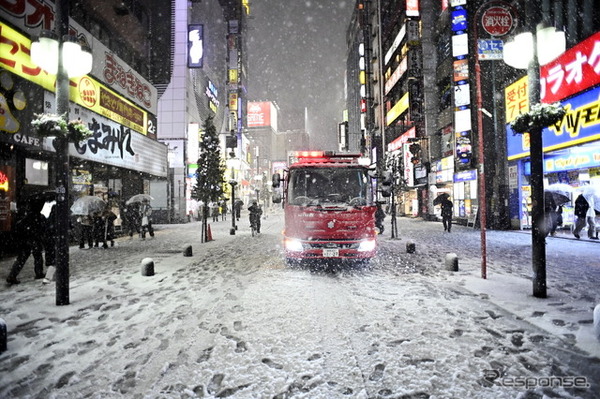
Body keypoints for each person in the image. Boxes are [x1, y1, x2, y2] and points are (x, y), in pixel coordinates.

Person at [6, 200, 47, 285]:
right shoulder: (39, 217)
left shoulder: (27, 217)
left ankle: (12, 275)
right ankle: (39, 273)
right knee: (37, 256)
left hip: (26, 240)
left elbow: (20, 227)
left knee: (22, 258)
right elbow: (43, 228)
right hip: (34, 239)